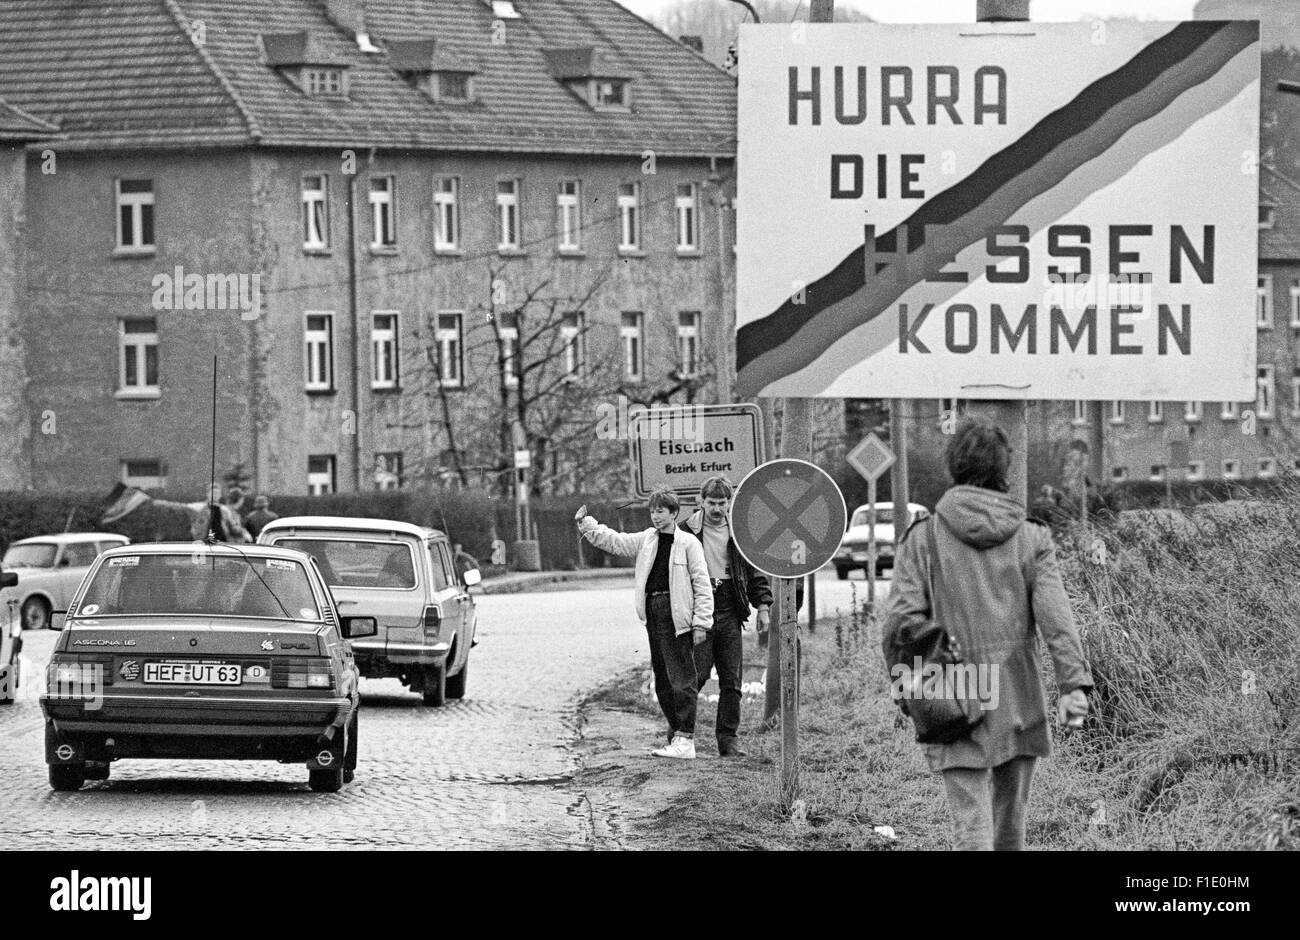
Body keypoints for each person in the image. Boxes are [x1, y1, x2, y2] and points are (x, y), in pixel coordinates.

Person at [880, 417, 1093, 851]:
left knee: (971, 827)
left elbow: (899, 626)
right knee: (1010, 825)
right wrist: (1073, 684)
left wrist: (907, 688)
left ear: (953, 467)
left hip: (952, 689)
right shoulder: (1032, 536)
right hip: (1018, 691)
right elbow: (1058, 620)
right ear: (1004, 470)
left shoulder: (923, 538)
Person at [575, 486, 713, 760]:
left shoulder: (688, 543)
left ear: (674, 513)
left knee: (681, 678)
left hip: (678, 617)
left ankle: (686, 738)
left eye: (661, 511)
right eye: (652, 511)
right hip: (653, 612)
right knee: (661, 680)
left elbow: (701, 583)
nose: (655, 516)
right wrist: (586, 524)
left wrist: (701, 623)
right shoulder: (647, 539)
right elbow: (615, 541)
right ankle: (678, 736)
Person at [678, 475, 772, 757]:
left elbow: (754, 571)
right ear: (700, 501)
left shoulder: (739, 532)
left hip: (730, 607)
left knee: (732, 680)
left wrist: (763, 607)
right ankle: (681, 733)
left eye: (722, 503)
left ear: (730, 502)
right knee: (698, 674)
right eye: (711, 502)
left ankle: (728, 740)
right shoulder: (686, 532)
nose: (717, 509)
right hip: (700, 609)